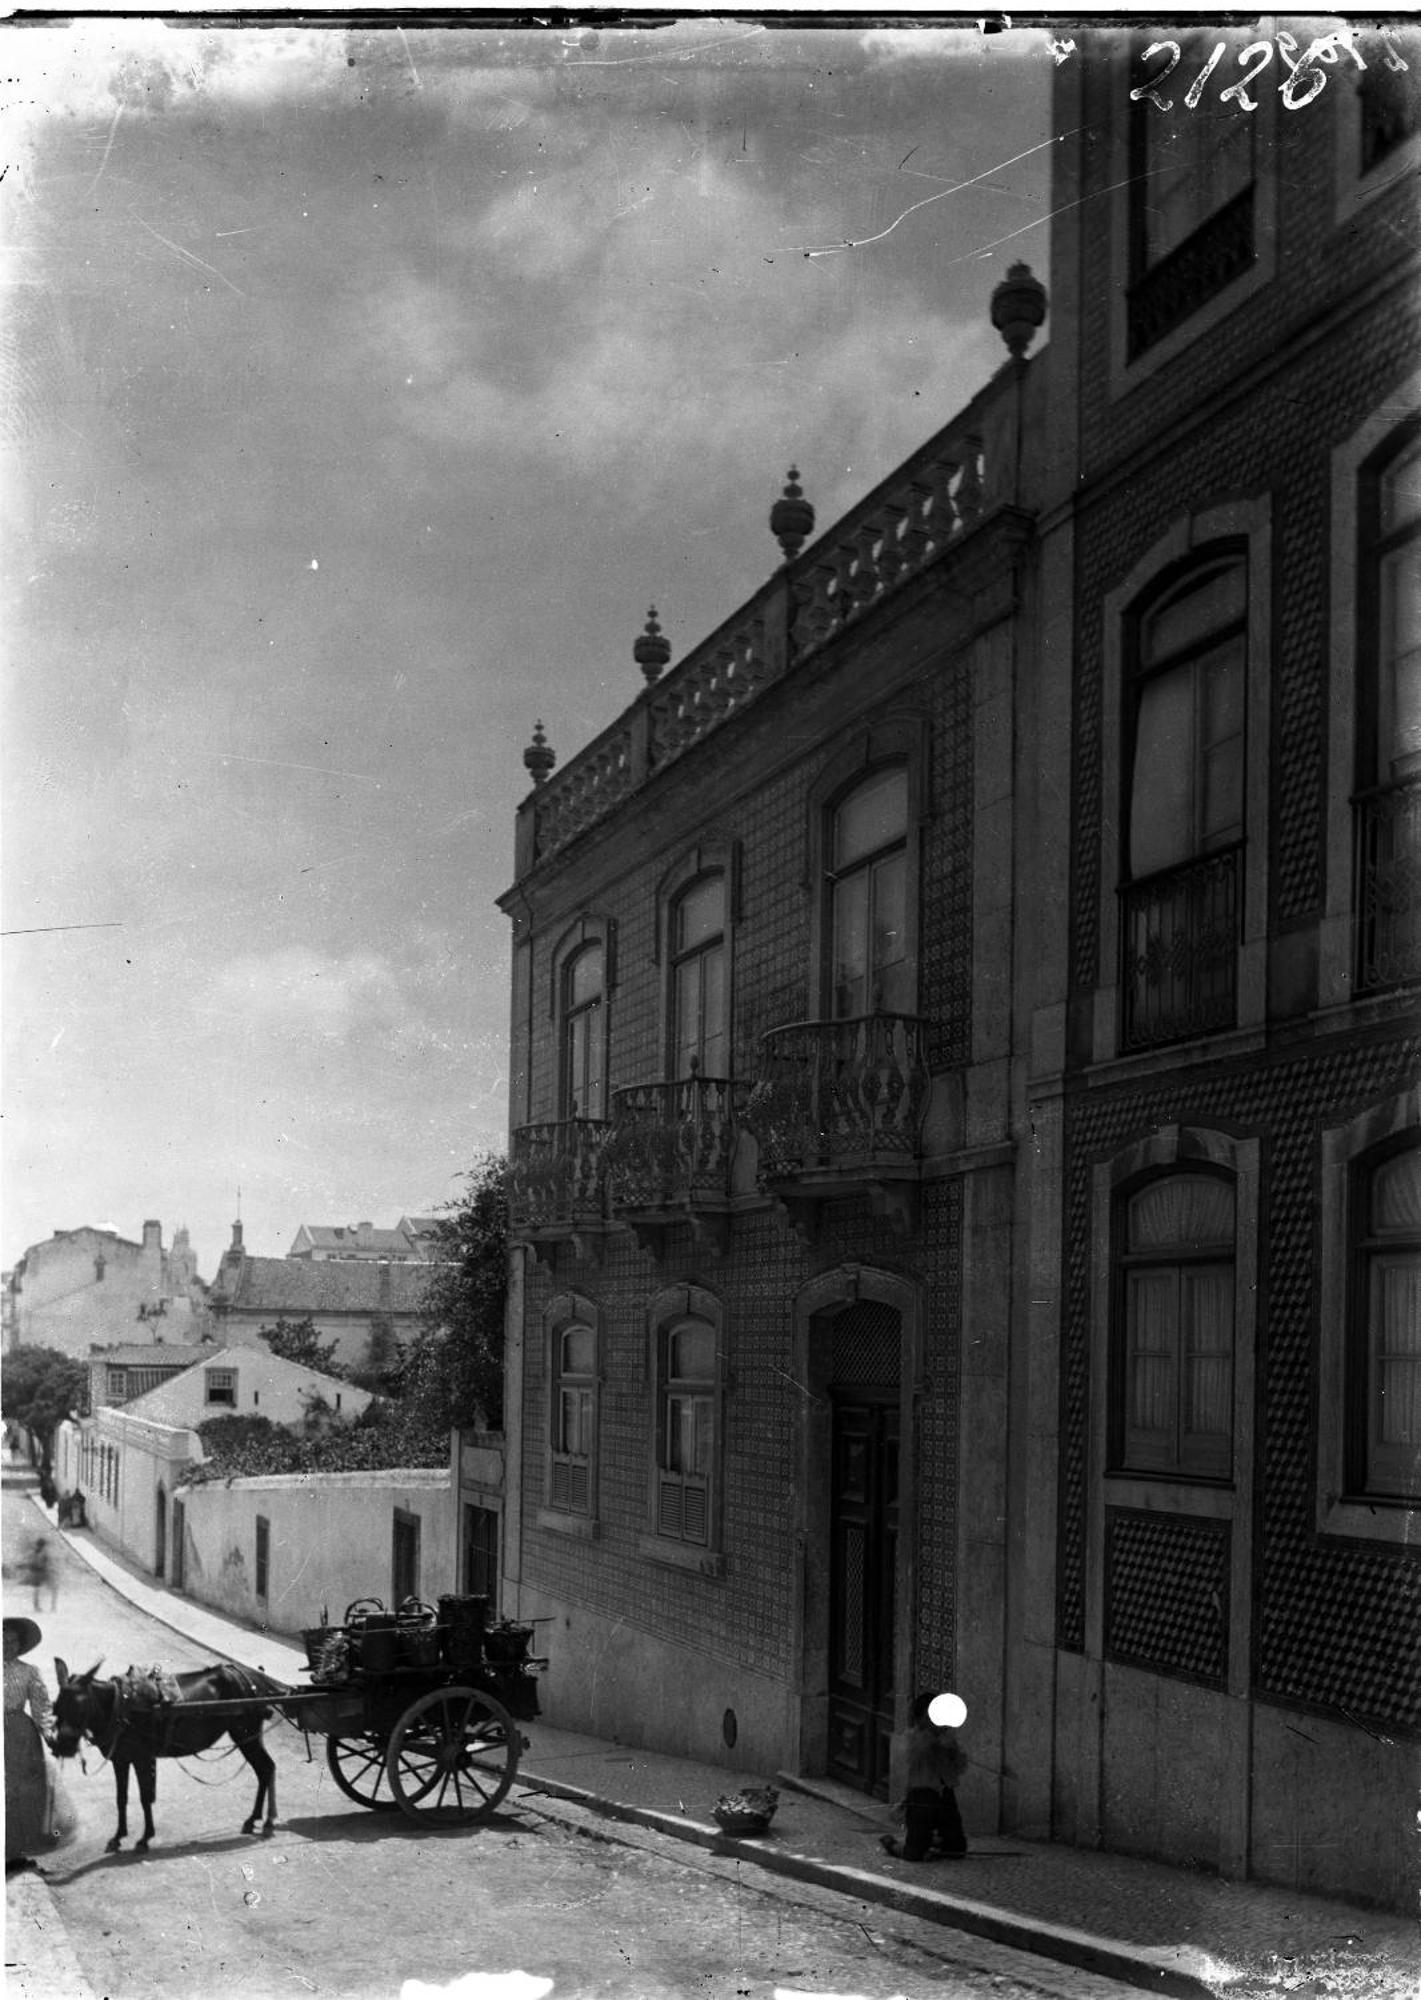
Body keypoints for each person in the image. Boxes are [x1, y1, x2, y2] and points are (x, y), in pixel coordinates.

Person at [4, 1615, 76, 1871]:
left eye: (13, 1641)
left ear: (20, 1645)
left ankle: (14, 1853)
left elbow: (41, 1707)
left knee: (22, 1795)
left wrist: (47, 1732)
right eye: (3, 1639)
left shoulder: (29, 1672)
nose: (8, 1645)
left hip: (21, 1739)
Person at [880, 1690, 969, 1862]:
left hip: (945, 1795)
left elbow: (960, 1766)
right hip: (922, 1797)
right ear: (921, 1719)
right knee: (914, 1855)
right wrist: (931, 1738)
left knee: (957, 1850)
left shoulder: (946, 1738)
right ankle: (893, 1845)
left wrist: (951, 1751)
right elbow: (913, 1754)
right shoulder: (913, 1736)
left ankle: (934, 1841)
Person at [26, 1534, 57, 1611]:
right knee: (54, 1588)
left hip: (36, 1573)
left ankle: (36, 1607)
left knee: (37, 1590)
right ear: (44, 1545)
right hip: (44, 1572)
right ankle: (53, 1607)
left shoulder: (35, 1552)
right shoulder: (43, 1552)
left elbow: (31, 1563)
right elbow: (48, 1563)